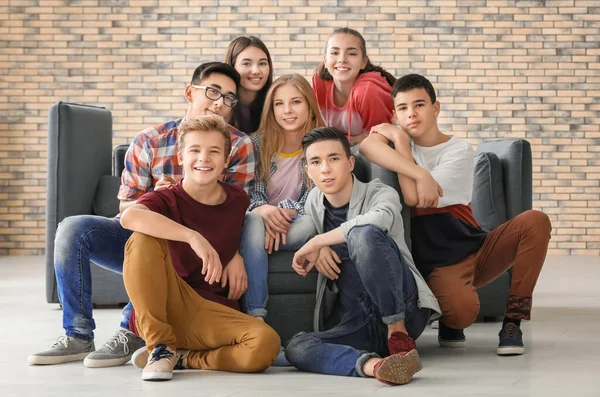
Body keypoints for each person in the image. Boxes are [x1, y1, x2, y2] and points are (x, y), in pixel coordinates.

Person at [28, 62, 256, 368]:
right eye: (212, 91)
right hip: (150, 234)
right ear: (190, 93)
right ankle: (78, 335)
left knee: (150, 239)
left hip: (201, 245)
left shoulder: (238, 145)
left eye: (228, 98)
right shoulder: (150, 140)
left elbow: (233, 207)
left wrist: (233, 252)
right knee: (73, 229)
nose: (219, 102)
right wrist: (162, 197)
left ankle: (133, 329)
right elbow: (127, 208)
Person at [360, 73, 552, 355]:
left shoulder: (458, 149)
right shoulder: (399, 143)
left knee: (536, 221)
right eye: (402, 108)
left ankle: (513, 322)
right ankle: (451, 321)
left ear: (435, 108)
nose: (411, 114)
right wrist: (407, 152)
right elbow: (366, 145)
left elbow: (416, 197)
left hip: (476, 248)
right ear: (395, 115)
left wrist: (404, 158)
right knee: (462, 314)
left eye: (419, 105)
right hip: (440, 262)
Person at [121, 115, 280, 381]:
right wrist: (192, 237)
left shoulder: (238, 200)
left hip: (209, 310)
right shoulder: (166, 197)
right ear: (181, 157)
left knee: (265, 343)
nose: (204, 158)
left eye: (214, 151)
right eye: (195, 150)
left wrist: (235, 254)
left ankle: (184, 358)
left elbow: (237, 228)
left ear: (226, 160)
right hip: (166, 303)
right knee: (142, 237)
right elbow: (129, 217)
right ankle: (160, 347)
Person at [284, 127, 441, 386]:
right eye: (316, 162)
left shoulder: (379, 192)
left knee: (362, 234)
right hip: (360, 320)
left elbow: (380, 219)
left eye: (334, 158)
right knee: (297, 347)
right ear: (308, 171)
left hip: (404, 306)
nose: (325, 168)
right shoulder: (314, 200)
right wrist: (319, 246)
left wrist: (319, 240)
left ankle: (397, 333)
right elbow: (299, 224)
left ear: (350, 163)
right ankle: (377, 366)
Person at [241, 73, 324, 322]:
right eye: (279, 103)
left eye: (296, 102)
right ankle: (256, 317)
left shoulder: (321, 144)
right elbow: (249, 191)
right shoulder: (256, 143)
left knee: (311, 223)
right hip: (258, 222)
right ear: (271, 108)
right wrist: (264, 211)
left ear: (309, 106)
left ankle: (257, 241)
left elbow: (315, 197)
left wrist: (284, 213)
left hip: (295, 224)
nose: (287, 110)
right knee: (252, 223)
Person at [313, 28, 396, 146]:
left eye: (351, 53)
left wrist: (351, 141)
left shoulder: (368, 91)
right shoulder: (319, 85)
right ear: (325, 60)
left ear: (363, 62)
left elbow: (382, 137)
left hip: (382, 150)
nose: (342, 59)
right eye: (334, 53)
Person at [226, 35, 274, 134]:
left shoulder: (276, 103)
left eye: (262, 63)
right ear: (232, 66)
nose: (256, 71)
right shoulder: (221, 106)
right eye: (246, 64)